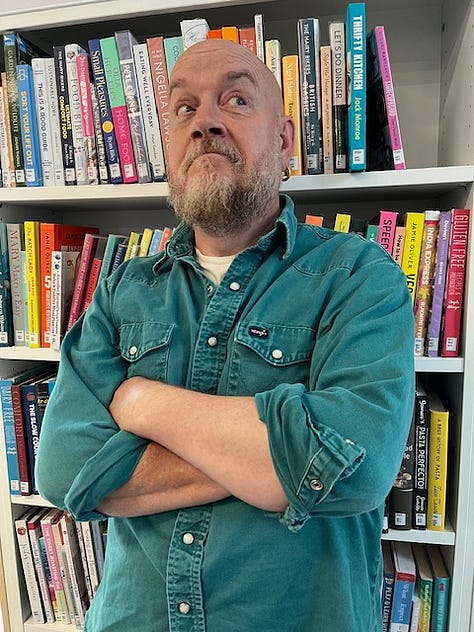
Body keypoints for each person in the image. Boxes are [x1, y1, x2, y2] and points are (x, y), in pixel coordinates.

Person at [36, 38, 415, 632]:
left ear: (286, 140)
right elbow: (64, 469)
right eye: (183, 108)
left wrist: (144, 403)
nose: (204, 122)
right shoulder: (119, 292)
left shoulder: (359, 277)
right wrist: (283, 463)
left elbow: (360, 467)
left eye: (236, 100)